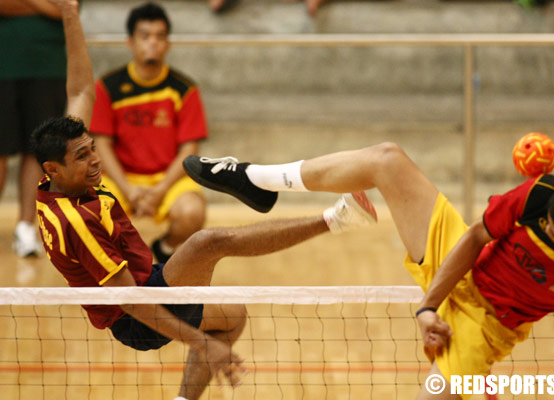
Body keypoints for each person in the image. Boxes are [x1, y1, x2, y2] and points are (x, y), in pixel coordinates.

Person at [32, 3, 377, 399]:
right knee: (207, 243)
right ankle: (336, 218)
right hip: (135, 313)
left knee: (231, 317)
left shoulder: (54, 176)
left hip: (147, 280)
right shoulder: (77, 220)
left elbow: (78, 88)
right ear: (53, 168)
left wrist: (69, 13)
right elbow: (130, 302)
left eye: (92, 149)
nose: (94, 161)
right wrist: (200, 343)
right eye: (83, 157)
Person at [182, 144, 554, 399]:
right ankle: (256, 179)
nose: (544, 229)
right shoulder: (542, 196)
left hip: (483, 326)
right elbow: (474, 237)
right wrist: (426, 308)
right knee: (388, 159)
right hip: (458, 260)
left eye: (553, 233)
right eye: (545, 223)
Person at [90, 2, 208, 263]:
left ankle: (164, 250)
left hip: (168, 179)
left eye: (159, 36)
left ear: (168, 43)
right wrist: (127, 189)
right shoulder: (108, 87)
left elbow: (189, 150)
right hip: (121, 178)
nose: (152, 43)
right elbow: (101, 144)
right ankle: (115, 264)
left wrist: (161, 190)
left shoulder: (184, 90)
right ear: (130, 42)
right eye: (145, 36)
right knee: (90, 213)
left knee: (193, 213)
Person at [0, 0, 66, 257]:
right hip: (3, 64)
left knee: (37, 150)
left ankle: (25, 227)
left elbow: (66, 6)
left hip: (47, 64)